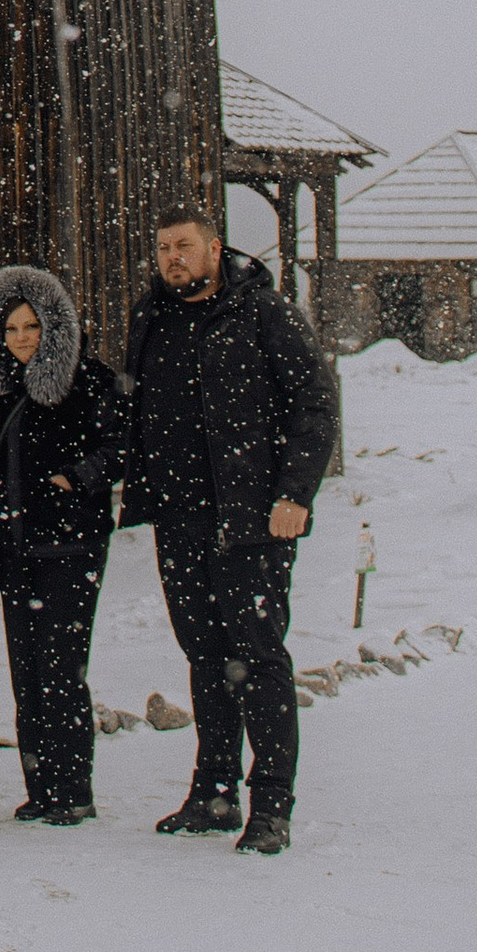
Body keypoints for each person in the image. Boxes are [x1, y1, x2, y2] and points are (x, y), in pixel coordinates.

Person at [121, 208, 339, 857]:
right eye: (164, 248)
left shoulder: (262, 312)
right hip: (180, 518)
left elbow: (315, 403)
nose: (173, 257)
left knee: (259, 659)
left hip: (251, 519)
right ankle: (213, 794)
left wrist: (294, 493)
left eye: (185, 245)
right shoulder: (150, 317)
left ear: (215, 249)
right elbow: (136, 410)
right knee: (206, 657)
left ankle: (271, 804)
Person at [0, 266, 124, 828]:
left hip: (70, 548)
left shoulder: (91, 381)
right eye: (11, 329)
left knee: (61, 670)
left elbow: (121, 447)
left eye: (31, 326)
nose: (21, 338)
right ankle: (41, 787)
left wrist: (75, 479)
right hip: (15, 551)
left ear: (53, 326)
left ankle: (73, 789)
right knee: (26, 672)